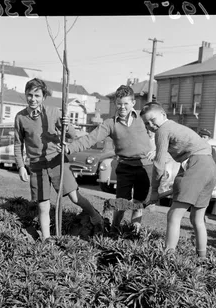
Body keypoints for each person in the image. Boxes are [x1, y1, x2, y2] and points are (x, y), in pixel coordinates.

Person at [14, 78, 103, 240]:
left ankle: (94, 215)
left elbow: (72, 135)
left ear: (43, 97)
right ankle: (47, 240)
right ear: (25, 95)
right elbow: (18, 143)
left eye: (37, 95)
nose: (33, 99)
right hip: (37, 166)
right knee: (43, 206)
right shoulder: (20, 118)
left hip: (57, 162)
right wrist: (20, 166)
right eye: (29, 95)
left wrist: (66, 125)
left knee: (75, 197)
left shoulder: (53, 112)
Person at [60, 85, 154, 233]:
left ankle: (134, 235)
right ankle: (114, 231)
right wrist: (69, 148)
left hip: (145, 166)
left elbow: (160, 131)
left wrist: (155, 149)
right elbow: (90, 138)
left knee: (138, 205)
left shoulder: (143, 118)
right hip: (125, 166)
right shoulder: (110, 123)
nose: (122, 107)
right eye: (119, 104)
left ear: (133, 103)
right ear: (115, 103)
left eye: (126, 103)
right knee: (120, 204)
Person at [142, 102, 216, 259]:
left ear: (164, 115)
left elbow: (159, 163)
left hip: (197, 164)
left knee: (174, 215)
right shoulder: (175, 127)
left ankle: (168, 258)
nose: (150, 125)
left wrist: (154, 191)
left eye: (152, 120)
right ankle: (202, 259)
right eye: (146, 123)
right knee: (197, 218)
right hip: (209, 165)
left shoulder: (163, 130)